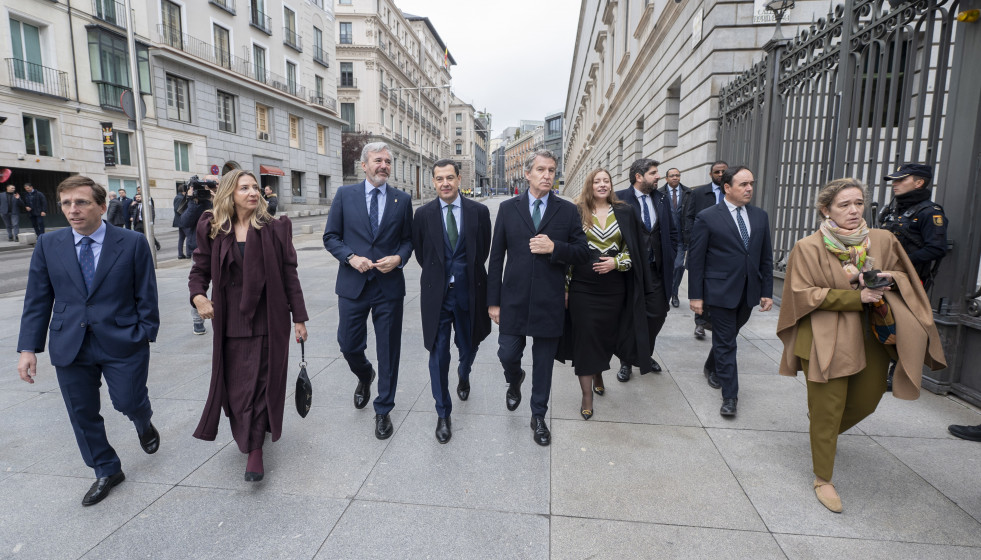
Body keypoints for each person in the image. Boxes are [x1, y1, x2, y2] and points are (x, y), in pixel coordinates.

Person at [776, 177, 946, 513]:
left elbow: (905, 275)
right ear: (826, 210)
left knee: (867, 400)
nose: (854, 211)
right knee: (828, 407)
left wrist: (884, 278)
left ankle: (821, 432)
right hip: (825, 335)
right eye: (844, 205)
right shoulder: (808, 247)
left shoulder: (882, 239)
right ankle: (823, 477)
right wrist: (855, 295)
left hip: (872, 333)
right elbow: (800, 295)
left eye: (858, 203)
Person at [16, 176, 160, 506]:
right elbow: (37, 299)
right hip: (70, 342)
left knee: (128, 400)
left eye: (81, 202)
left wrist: (144, 333)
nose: (72, 210)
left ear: (101, 206)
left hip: (123, 339)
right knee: (82, 413)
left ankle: (142, 420)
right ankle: (106, 468)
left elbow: (146, 295)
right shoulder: (48, 245)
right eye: (66, 203)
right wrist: (28, 349)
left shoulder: (132, 242)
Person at [188, 170, 308, 481]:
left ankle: (255, 450)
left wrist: (299, 317)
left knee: (261, 384)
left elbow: (289, 274)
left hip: (270, 316)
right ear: (229, 193)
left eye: (255, 187)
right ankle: (250, 431)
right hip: (230, 319)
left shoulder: (275, 228)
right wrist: (198, 296)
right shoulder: (213, 227)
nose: (253, 192)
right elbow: (200, 267)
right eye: (244, 188)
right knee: (238, 386)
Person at [488, 149, 589, 446]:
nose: (547, 175)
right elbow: (496, 258)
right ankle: (515, 377)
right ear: (528, 174)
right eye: (541, 170)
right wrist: (493, 301)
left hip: (549, 301)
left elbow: (583, 253)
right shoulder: (508, 208)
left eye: (551, 170)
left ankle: (539, 416)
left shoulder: (568, 210)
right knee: (507, 352)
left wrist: (555, 247)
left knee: (544, 364)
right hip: (514, 299)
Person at [324, 142, 413, 440]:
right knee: (348, 345)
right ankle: (365, 375)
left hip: (388, 287)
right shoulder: (344, 195)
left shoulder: (402, 199)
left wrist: (398, 258)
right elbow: (331, 237)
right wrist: (351, 257)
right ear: (364, 165)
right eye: (378, 160)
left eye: (388, 161)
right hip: (353, 285)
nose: (384, 165)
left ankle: (383, 409)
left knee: (389, 350)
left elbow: (407, 241)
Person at [561, 168, 654, 420]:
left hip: (614, 287)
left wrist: (617, 263)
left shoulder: (625, 211)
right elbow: (569, 252)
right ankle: (586, 396)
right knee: (585, 338)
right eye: (597, 181)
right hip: (583, 286)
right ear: (589, 185)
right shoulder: (576, 211)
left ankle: (599, 372)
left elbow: (636, 249)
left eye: (606, 181)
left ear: (611, 185)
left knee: (605, 335)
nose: (602, 185)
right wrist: (566, 288)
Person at [412, 159, 492, 443]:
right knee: (438, 353)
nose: (444, 183)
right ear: (433, 182)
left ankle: (464, 372)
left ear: (459, 179)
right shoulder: (422, 215)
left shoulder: (479, 212)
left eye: (449, 177)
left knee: (469, 344)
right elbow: (423, 256)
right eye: (438, 179)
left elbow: (482, 250)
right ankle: (443, 413)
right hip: (437, 295)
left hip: (469, 291)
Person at [688, 165, 773, 417]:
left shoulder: (759, 216)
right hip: (720, 292)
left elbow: (765, 257)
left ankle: (710, 366)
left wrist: (766, 291)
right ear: (727, 187)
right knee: (727, 343)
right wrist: (696, 296)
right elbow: (696, 260)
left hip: (748, 293)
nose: (749, 189)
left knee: (728, 337)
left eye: (751, 184)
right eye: (743, 185)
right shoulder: (708, 216)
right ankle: (730, 396)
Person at [613, 158, 676, 382]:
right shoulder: (619, 198)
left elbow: (671, 232)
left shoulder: (661, 199)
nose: (658, 176)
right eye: (653, 173)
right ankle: (626, 361)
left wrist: (672, 256)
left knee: (658, 313)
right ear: (639, 177)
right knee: (630, 316)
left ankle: (644, 354)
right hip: (631, 270)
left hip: (656, 269)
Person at [878, 163, 947, 290]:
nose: (894, 183)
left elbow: (936, 249)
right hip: (884, 274)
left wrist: (901, 261)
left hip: (907, 280)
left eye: (901, 179)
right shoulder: (897, 209)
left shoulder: (930, 212)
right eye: (895, 180)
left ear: (919, 183)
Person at [687, 161, 728, 340]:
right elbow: (687, 217)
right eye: (716, 172)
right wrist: (692, 240)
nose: (720, 174)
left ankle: (716, 321)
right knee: (700, 284)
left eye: (723, 172)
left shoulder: (733, 193)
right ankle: (700, 323)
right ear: (711, 174)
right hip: (703, 247)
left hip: (725, 249)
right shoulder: (698, 193)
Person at [180, 178, 217, 335]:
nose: (205, 190)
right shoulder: (192, 201)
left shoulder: (217, 200)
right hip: (198, 248)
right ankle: (197, 320)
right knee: (197, 286)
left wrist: (216, 198)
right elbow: (185, 221)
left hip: (219, 246)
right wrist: (193, 201)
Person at [659, 168, 692, 308]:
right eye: (672, 176)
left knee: (678, 266)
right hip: (663, 237)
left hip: (680, 237)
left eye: (677, 175)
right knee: (665, 266)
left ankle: (674, 293)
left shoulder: (688, 193)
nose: (675, 178)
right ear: (666, 178)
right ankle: (665, 292)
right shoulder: (659, 193)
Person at [173, 185, 189, 259]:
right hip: (182, 221)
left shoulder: (180, 197)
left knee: (182, 238)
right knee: (188, 237)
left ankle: (180, 254)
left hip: (181, 221)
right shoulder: (179, 198)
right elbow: (178, 209)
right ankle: (188, 253)